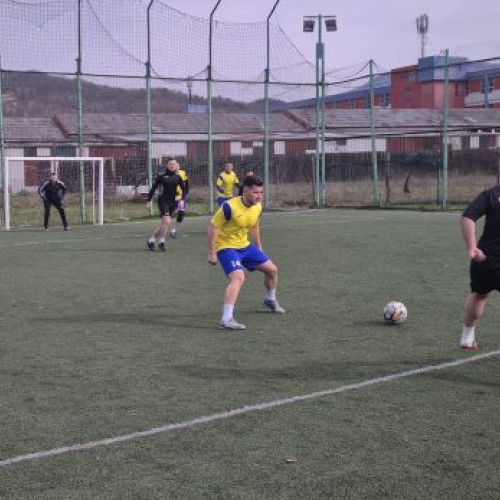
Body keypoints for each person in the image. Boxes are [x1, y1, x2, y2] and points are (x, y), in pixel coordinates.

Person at [207, 174, 285, 330]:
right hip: (226, 246)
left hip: (245, 246)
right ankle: (226, 319)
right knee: (238, 277)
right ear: (246, 191)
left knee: (272, 270)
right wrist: (212, 252)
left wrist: (258, 246)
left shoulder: (258, 207)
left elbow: (254, 226)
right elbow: (213, 227)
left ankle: (270, 300)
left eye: (261, 192)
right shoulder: (229, 207)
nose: (259, 196)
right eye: (255, 192)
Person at [459, 186, 500, 349]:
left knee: (479, 294)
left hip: (484, 260)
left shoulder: (492, 195)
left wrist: (472, 247)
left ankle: (467, 338)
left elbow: (468, 216)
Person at [146, 159, 186, 252]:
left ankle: (151, 240)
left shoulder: (178, 177)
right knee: (167, 221)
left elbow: (184, 189)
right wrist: (148, 201)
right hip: (163, 201)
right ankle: (161, 242)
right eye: (170, 164)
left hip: (173, 202)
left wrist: (182, 200)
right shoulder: (161, 176)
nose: (172, 165)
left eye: (174, 164)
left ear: (176, 165)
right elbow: (153, 189)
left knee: (164, 223)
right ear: (167, 165)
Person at [169, 161, 189, 239]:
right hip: (171, 198)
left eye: (178, 165)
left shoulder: (183, 173)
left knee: (181, 213)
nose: (177, 167)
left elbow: (186, 183)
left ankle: (173, 230)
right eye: (175, 165)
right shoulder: (169, 175)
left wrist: (186, 192)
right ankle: (162, 229)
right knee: (167, 215)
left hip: (180, 198)